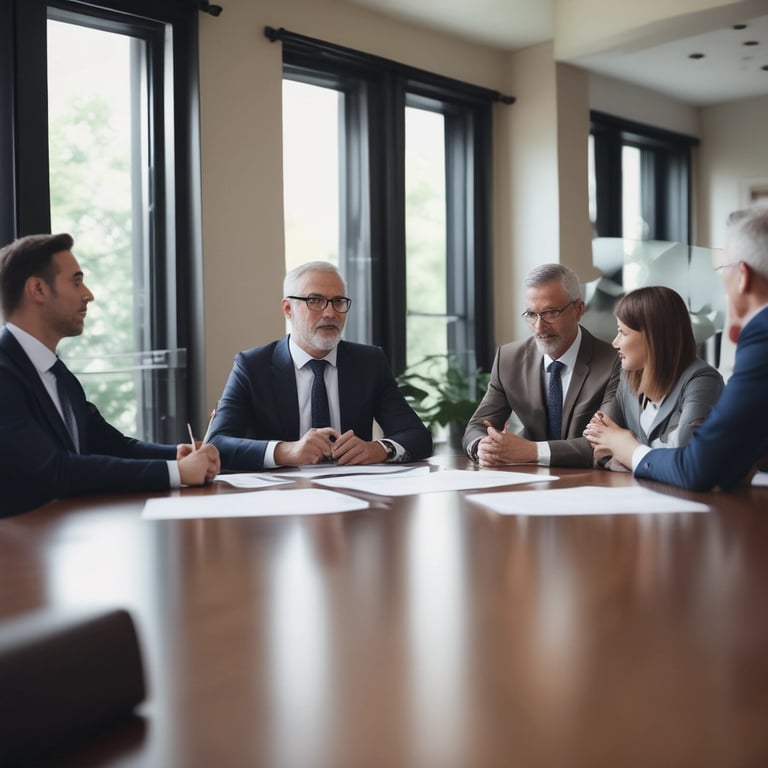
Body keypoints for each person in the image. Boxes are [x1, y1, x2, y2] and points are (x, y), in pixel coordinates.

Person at [0, 233, 220, 517]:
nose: (88, 294)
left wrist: (177, 454)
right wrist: (175, 472)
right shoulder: (5, 373)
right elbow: (52, 470)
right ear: (38, 290)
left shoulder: (58, 374)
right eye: (76, 282)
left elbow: (112, 445)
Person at [583, 207, 768, 491]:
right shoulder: (627, 377)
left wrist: (628, 448)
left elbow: (698, 465)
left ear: (742, 275)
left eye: (722, 270)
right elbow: (727, 462)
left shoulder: (759, 337)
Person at [207, 261, 432, 469]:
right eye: (315, 300)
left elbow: (417, 436)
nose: (330, 312)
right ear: (288, 309)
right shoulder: (252, 366)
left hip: (355, 495)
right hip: (278, 498)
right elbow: (217, 443)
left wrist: (379, 449)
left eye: (338, 301)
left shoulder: (369, 362)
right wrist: (285, 451)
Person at [463, 263, 621, 467]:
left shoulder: (613, 362)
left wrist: (531, 450)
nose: (539, 327)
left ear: (578, 310)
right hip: (530, 482)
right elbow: (478, 425)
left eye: (551, 313)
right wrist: (482, 446)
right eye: (531, 314)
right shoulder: (508, 359)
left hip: (592, 484)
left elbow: (605, 443)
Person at [583, 285, 724, 471]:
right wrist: (635, 452)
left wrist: (626, 446)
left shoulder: (702, 380)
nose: (614, 343)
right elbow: (598, 443)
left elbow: (687, 456)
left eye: (623, 333)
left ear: (653, 337)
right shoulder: (627, 376)